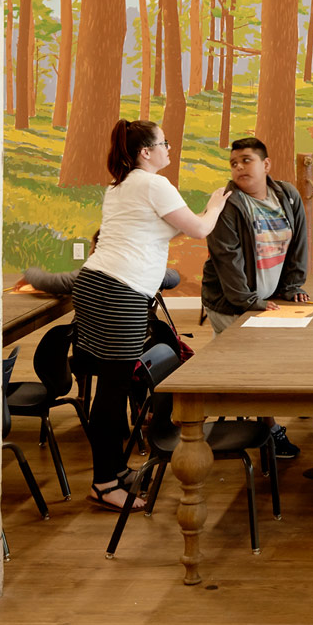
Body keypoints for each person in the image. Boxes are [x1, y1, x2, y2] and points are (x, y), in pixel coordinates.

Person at [72, 119, 228, 512]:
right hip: (118, 291)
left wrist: (195, 217)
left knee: (115, 385)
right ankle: (105, 483)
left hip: (99, 284)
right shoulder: (154, 183)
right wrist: (216, 202)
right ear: (146, 152)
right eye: (165, 143)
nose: (169, 149)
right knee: (113, 388)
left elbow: (157, 231)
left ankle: (113, 471)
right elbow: (199, 229)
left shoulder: (123, 186)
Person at [203, 136, 312, 458]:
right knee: (258, 367)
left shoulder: (287, 195)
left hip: (267, 295)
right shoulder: (227, 203)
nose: (238, 168)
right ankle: (272, 430)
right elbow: (227, 259)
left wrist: (293, 286)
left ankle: (266, 420)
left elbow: (299, 245)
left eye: (246, 160)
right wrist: (252, 302)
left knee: (277, 359)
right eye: (234, 163)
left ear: (266, 165)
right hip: (231, 302)